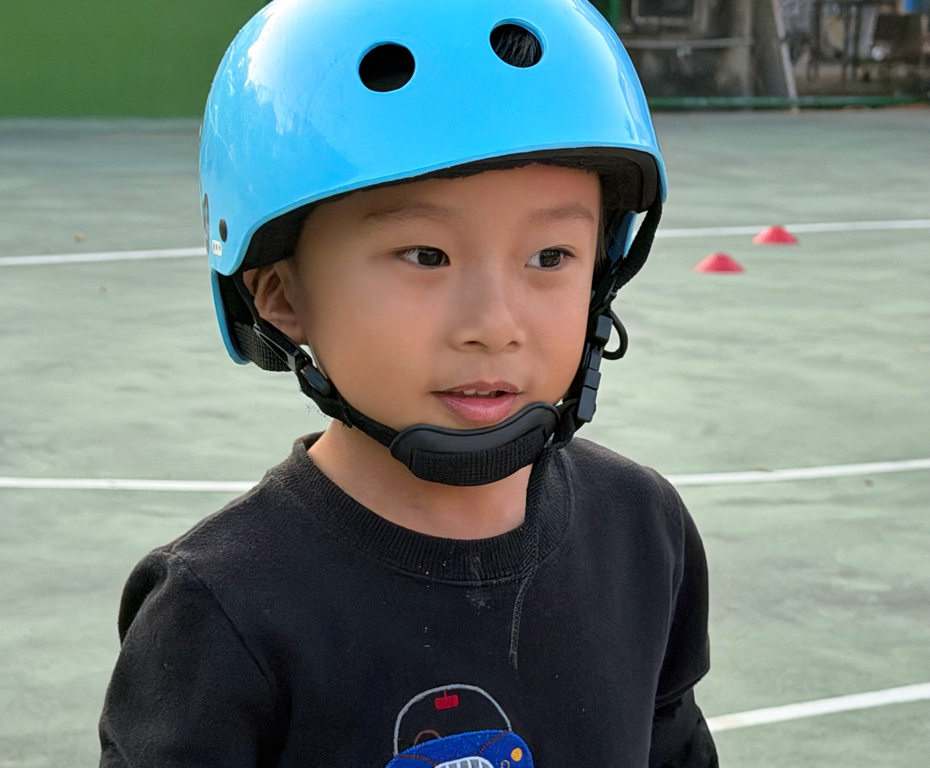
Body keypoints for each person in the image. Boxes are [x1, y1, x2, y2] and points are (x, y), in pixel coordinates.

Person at [98, 0, 718, 765]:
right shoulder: (218, 611)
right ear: (280, 294)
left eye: (551, 257)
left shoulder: (642, 529)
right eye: (426, 256)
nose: (494, 324)